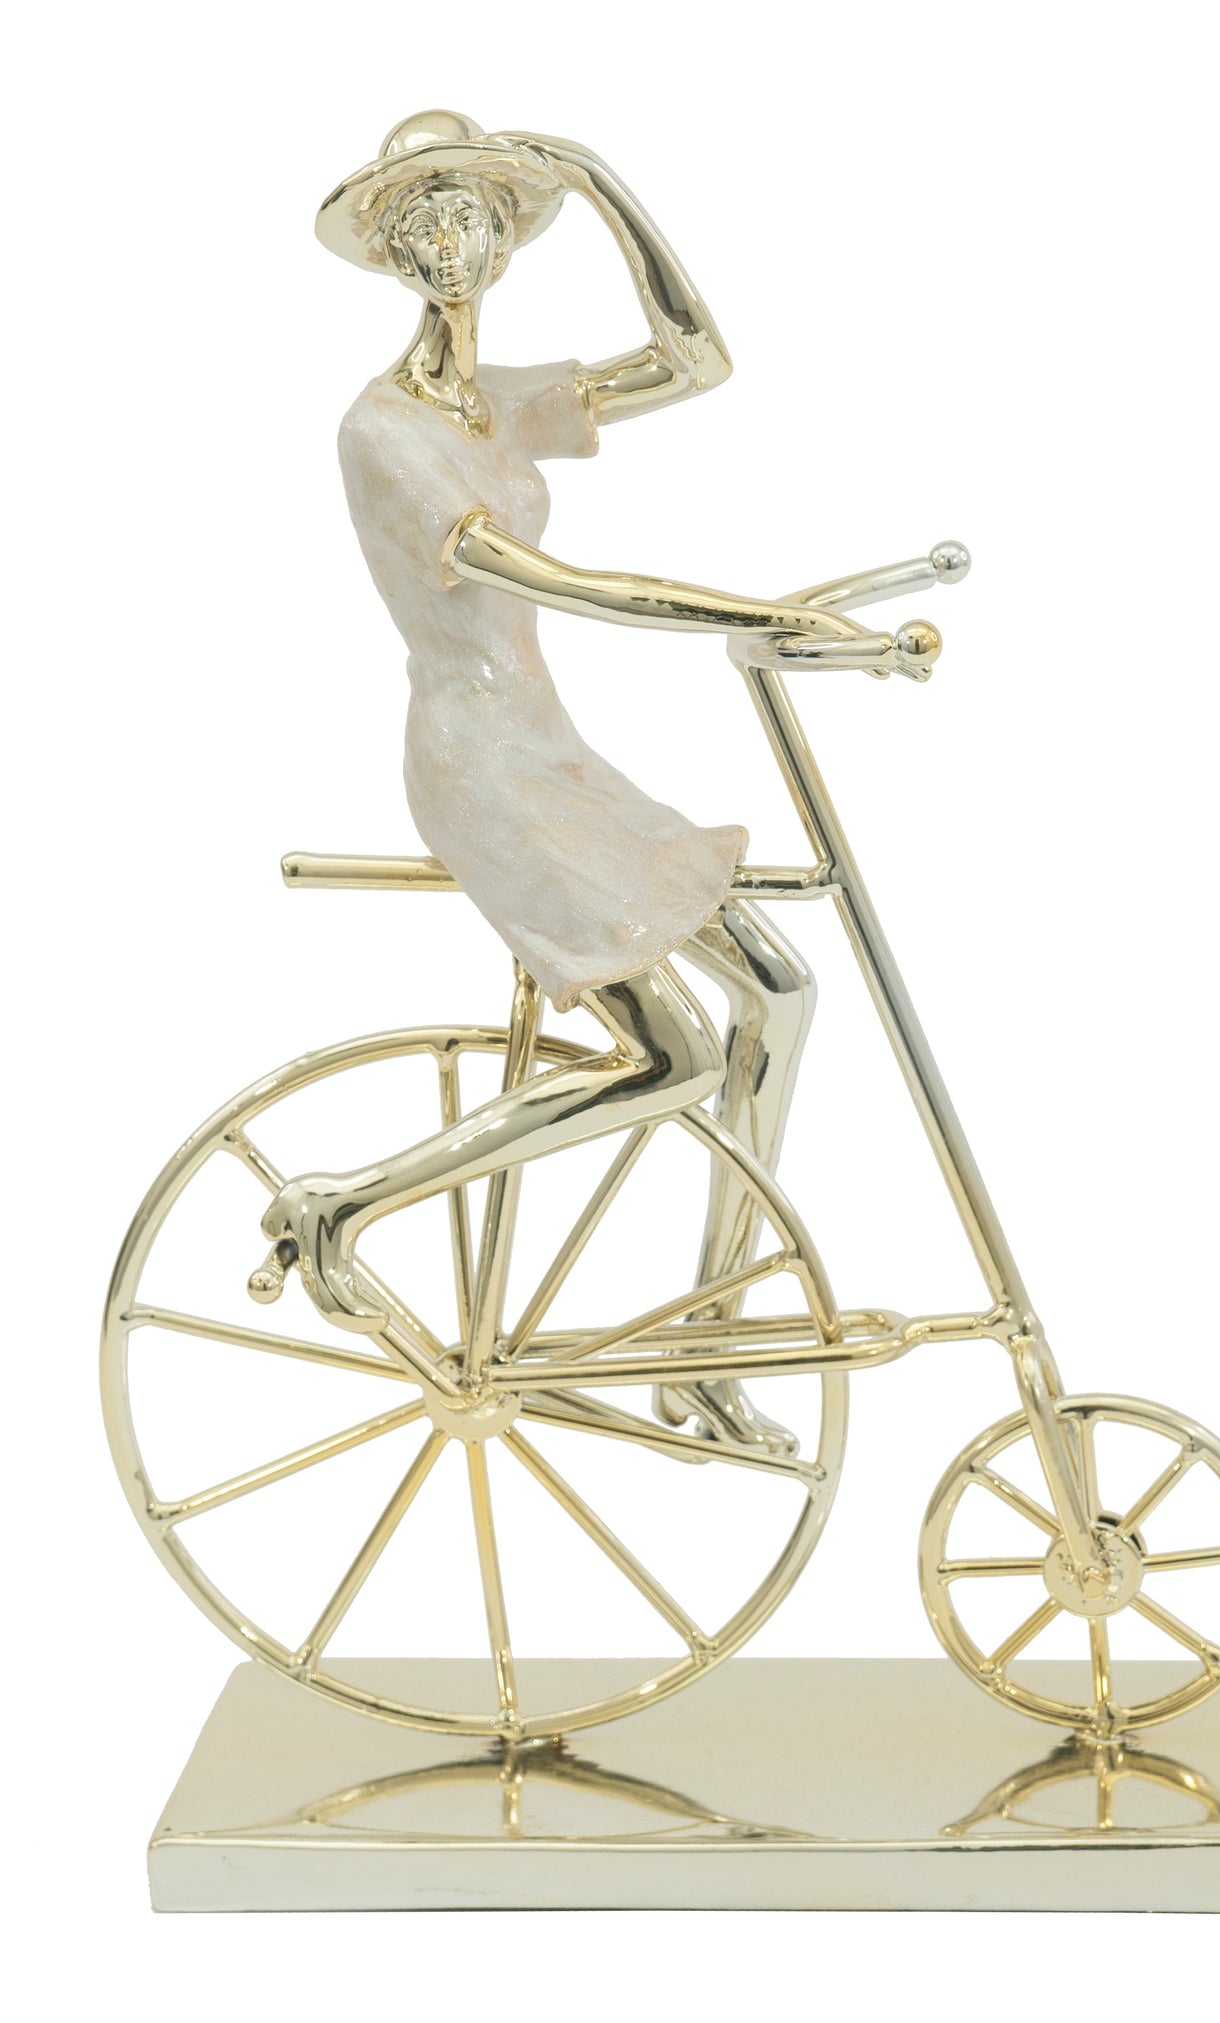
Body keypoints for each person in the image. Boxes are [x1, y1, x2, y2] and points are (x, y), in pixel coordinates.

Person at [263, 112, 936, 1453]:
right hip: (481, 764)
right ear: (392, 251)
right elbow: (562, 586)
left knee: (781, 994)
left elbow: (696, 361)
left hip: (549, 746)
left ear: (506, 238)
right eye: (421, 219)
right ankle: (341, 1200)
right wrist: (772, 619)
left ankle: (704, 1344)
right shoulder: (382, 431)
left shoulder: (499, 402)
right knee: (675, 1055)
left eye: (473, 212)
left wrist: (597, 180)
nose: (449, 238)